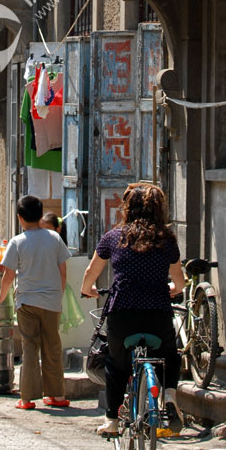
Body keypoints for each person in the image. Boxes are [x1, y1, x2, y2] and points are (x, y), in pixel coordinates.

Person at [80, 181, 186, 436]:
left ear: (127, 207)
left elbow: (90, 272)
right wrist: (175, 289)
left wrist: (88, 290)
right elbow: (179, 278)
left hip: (123, 312)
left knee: (116, 365)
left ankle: (112, 422)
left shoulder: (113, 237)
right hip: (158, 312)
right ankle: (170, 397)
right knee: (170, 356)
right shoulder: (166, 239)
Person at [0, 194, 71, 410]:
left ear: (20, 218)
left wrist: (1, 295)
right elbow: (63, 271)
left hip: (27, 301)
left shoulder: (17, 242)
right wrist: (58, 294)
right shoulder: (54, 238)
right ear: (40, 214)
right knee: (52, 347)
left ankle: (27, 398)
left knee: (30, 347)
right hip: (51, 302)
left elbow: (9, 275)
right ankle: (57, 395)